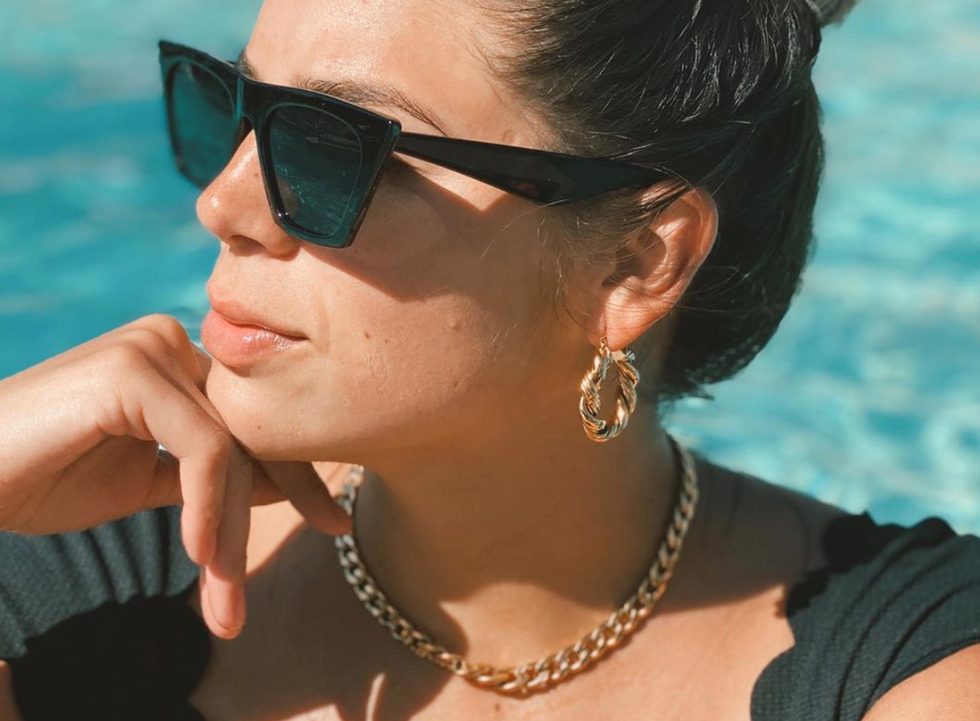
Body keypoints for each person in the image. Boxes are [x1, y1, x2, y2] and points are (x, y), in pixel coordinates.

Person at [0, 0, 978, 719]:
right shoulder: (59, 570)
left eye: (336, 147)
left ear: (632, 265)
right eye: (235, 109)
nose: (222, 203)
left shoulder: (912, 670)